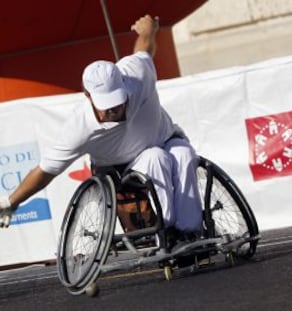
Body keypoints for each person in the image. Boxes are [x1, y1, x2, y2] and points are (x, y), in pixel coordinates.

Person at [0, 15, 203, 236]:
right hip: (125, 166)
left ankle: (191, 231)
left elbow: (144, 48)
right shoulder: (79, 127)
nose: (113, 110)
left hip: (167, 138)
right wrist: (12, 201)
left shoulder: (137, 74)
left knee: (183, 153)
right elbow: (45, 170)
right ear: (88, 96)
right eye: (105, 105)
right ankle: (168, 230)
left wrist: (148, 29)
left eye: (117, 101)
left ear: (124, 84)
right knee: (156, 157)